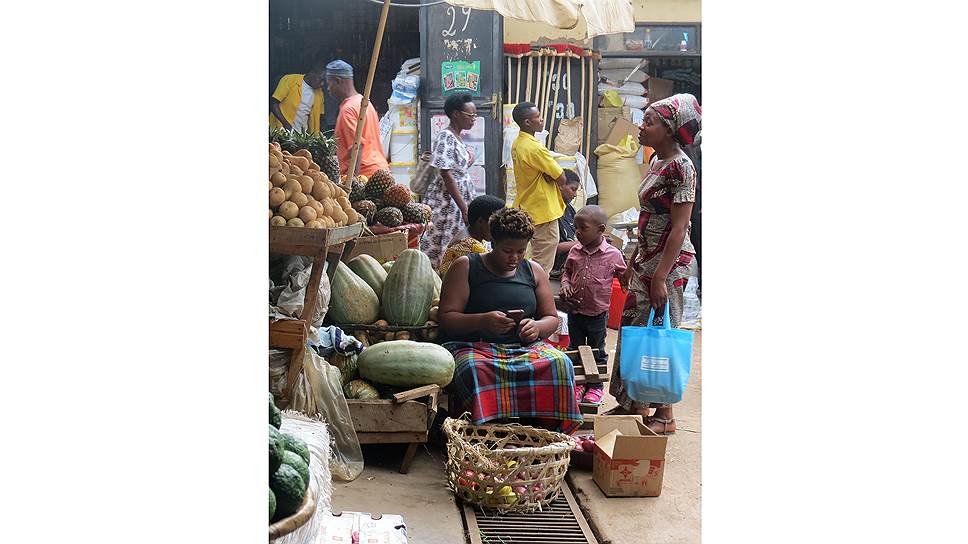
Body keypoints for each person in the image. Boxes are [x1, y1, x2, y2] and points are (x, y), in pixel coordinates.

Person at [438, 208, 582, 434]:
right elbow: (446, 318)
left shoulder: (533, 270)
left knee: (560, 363)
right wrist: (482, 321)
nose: (514, 258)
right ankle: (477, 434)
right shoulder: (466, 267)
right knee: (473, 369)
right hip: (474, 347)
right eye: (507, 251)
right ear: (492, 241)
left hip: (525, 347)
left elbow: (552, 318)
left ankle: (544, 435)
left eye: (521, 251)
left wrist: (536, 327)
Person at [607, 94, 702, 435]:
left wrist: (660, 276)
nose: (642, 127)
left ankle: (665, 415)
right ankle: (633, 402)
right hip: (647, 260)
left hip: (669, 265)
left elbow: (679, 228)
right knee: (634, 329)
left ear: (670, 130)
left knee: (661, 331)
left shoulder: (682, 167)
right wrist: (634, 260)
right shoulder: (655, 162)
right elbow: (648, 217)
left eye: (650, 123)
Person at [559, 205, 627, 405]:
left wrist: (628, 282)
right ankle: (579, 384)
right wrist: (565, 284)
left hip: (597, 313)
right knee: (575, 348)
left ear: (600, 229)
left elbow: (624, 275)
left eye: (583, 228)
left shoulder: (613, 254)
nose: (578, 232)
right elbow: (567, 273)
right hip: (575, 311)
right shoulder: (574, 251)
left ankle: (595, 387)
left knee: (597, 350)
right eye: (575, 227)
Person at [419, 93, 478, 269]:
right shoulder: (445, 136)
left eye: (475, 115)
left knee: (456, 247)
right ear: (455, 114)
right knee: (443, 248)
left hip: (457, 203)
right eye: (470, 115)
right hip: (448, 205)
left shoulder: (457, 137)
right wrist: (464, 209)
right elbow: (447, 174)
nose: (473, 119)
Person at [510, 102, 568, 274]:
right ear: (527, 122)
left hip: (527, 205)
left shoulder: (518, 143)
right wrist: (550, 174)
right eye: (538, 117)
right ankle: (538, 296)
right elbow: (562, 178)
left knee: (529, 255)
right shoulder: (535, 148)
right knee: (543, 262)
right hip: (543, 209)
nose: (542, 119)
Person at [325, 60, 389, 178]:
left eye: (329, 83)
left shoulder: (348, 110)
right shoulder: (365, 103)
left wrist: (352, 183)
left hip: (365, 176)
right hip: (380, 171)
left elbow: (356, 147)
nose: (328, 89)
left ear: (338, 81)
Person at [438, 194, 506, 278]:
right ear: (480, 221)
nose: (498, 229)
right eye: (495, 224)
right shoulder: (471, 246)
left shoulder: (468, 233)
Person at [269, 67, 326, 134]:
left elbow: (321, 116)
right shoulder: (290, 80)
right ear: (312, 74)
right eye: (321, 80)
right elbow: (273, 103)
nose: (322, 84)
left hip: (301, 136)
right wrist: (285, 124)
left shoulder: (319, 93)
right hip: (280, 130)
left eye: (324, 81)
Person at [551, 169, 581, 279]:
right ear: (560, 186)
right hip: (556, 267)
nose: (575, 194)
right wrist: (584, 243)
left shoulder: (569, 209)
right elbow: (553, 247)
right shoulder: (550, 211)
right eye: (573, 189)